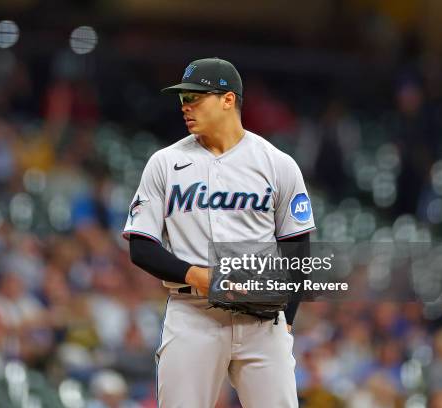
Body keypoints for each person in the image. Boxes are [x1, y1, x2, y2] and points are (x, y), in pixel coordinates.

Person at [123, 58, 315, 407]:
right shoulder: (165, 163)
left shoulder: (277, 163)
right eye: (183, 98)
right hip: (193, 313)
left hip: (263, 322)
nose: (186, 105)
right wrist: (198, 276)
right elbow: (141, 246)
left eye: (196, 97)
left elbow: (298, 246)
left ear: (228, 100)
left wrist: (287, 319)